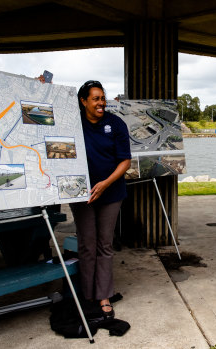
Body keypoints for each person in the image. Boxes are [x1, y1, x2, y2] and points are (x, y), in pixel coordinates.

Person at [69, 80, 131, 319]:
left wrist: (105, 184)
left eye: (102, 98)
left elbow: (124, 161)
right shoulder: (73, 123)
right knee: (87, 245)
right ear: (83, 101)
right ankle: (88, 296)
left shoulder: (116, 124)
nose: (101, 103)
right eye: (95, 99)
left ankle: (104, 295)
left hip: (111, 193)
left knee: (104, 244)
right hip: (81, 195)